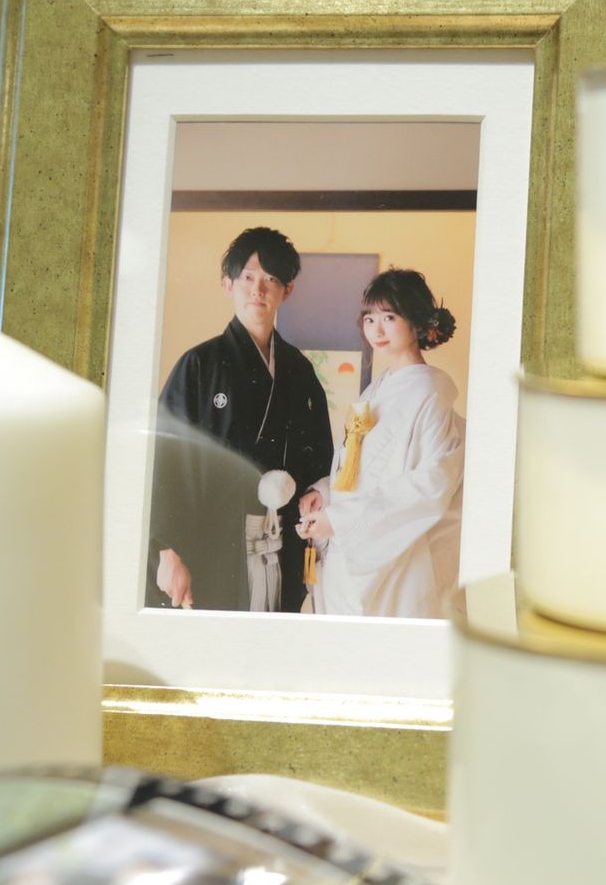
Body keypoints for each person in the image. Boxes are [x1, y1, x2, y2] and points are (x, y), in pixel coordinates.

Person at [148, 227, 333, 612]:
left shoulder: (299, 370)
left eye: (271, 280)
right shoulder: (199, 365)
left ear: (287, 291)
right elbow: (163, 460)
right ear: (227, 284)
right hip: (215, 545)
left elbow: (319, 458)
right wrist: (166, 550)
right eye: (248, 277)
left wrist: (317, 501)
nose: (258, 290)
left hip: (283, 541)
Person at [297, 268, 465, 618]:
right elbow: (361, 470)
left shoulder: (429, 391)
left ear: (416, 322)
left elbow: (432, 483)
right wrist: (325, 493)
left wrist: (341, 520)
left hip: (397, 559)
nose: (377, 329)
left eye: (389, 317)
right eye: (369, 318)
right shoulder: (377, 389)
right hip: (351, 550)